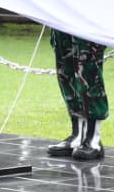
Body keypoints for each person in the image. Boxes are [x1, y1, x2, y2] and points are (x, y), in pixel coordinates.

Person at [46, 30, 108, 161]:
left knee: (89, 75)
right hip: (62, 18)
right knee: (65, 72)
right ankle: (78, 137)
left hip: (87, 21)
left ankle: (93, 140)